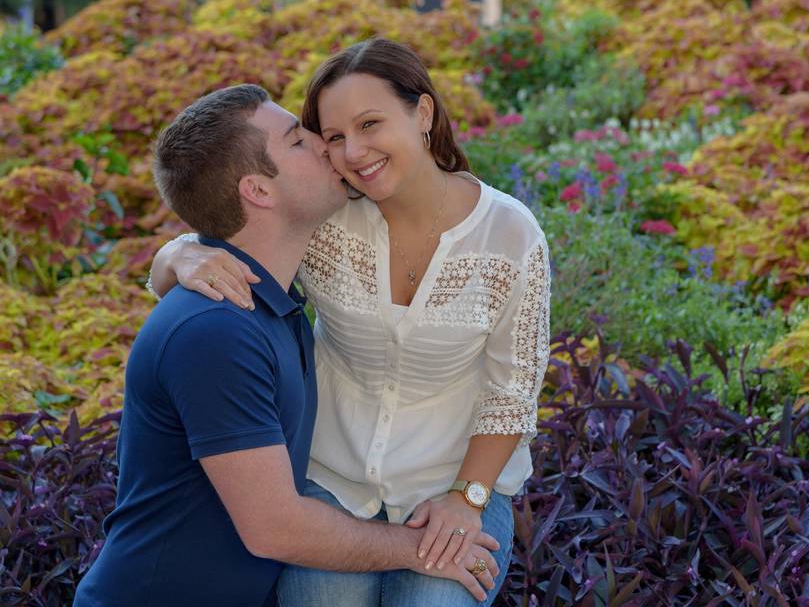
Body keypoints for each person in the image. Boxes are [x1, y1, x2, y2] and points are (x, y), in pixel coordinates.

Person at [149, 39, 551, 606]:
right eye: (334, 137)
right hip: (329, 481)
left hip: (455, 483)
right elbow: (239, 236)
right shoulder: (330, 221)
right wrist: (176, 256)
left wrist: (468, 496)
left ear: (424, 113)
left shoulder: (511, 234)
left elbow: (513, 391)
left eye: (370, 124)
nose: (354, 151)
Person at [74, 83, 500, 607]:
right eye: (298, 140)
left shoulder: (268, 297)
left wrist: (175, 254)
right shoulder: (216, 333)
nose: (326, 144)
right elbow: (276, 527)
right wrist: (422, 550)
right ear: (258, 190)